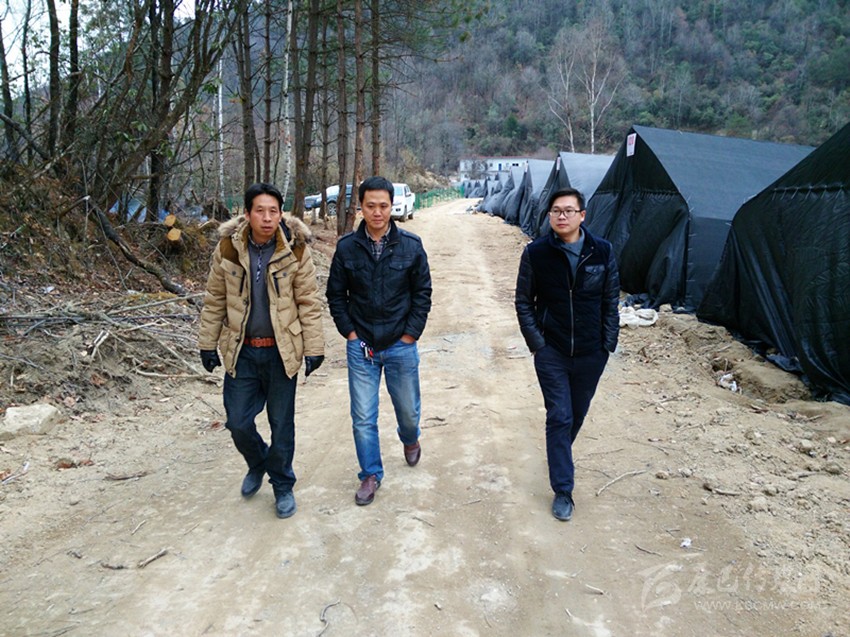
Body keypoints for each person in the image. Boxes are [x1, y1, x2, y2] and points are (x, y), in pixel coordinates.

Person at [198, 182, 325, 519]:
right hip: (242, 351)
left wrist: (314, 348)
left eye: (273, 211)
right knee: (238, 422)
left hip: (281, 353)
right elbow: (215, 299)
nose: (267, 218)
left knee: (281, 424)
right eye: (260, 211)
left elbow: (308, 302)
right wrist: (207, 343)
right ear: (247, 214)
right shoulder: (228, 248)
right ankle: (258, 462)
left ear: (281, 214)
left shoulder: (295, 249)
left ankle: (282, 485)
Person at [326, 176, 432, 506]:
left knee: (408, 411)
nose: (377, 212)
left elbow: (422, 293)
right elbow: (336, 295)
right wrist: (350, 333)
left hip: (401, 344)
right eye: (370, 205)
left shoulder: (411, 245)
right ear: (360, 206)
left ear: (392, 206)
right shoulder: (347, 247)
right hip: (362, 346)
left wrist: (410, 334)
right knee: (363, 415)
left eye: (383, 206)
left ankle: (410, 437)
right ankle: (370, 474)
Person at [515, 187, 619, 521]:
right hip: (552, 351)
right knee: (559, 416)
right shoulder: (536, 253)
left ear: (582, 215)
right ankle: (563, 489)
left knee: (576, 414)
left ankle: (559, 452)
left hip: (592, 352)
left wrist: (607, 343)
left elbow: (611, 301)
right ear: (549, 215)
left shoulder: (602, 251)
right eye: (556, 211)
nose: (562, 216)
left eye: (569, 211)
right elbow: (523, 302)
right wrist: (538, 343)